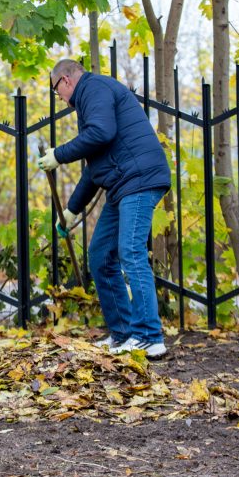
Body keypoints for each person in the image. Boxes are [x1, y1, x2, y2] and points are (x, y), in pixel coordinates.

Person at [38, 59, 171, 359]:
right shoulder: (88, 101)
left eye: (55, 89)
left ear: (66, 81)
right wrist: (72, 211)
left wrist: (59, 154)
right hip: (123, 184)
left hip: (140, 178)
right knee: (100, 254)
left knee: (131, 252)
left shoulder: (94, 88)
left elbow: (101, 133)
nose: (57, 96)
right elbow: (94, 167)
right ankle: (124, 334)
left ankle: (150, 337)